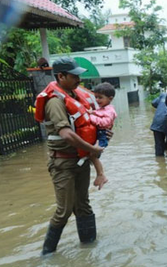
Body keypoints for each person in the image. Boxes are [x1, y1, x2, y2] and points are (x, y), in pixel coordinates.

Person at [34, 57, 104, 255]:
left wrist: (100, 136)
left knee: (83, 205)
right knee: (63, 211)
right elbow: (66, 134)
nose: (78, 80)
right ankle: (47, 255)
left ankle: (89, 249)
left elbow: (86, 125)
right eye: (74, 76)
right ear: (61, 76)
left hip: (80, 160)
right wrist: (92, 150)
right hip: (63, 162)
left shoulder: (74, 95)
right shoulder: (54, 101)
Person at [87, 82, 118, 190]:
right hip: (100, 134)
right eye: (96, 97)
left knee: (93, 155)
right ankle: (100, 175)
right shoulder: (103, 108)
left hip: (102, 135)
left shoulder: (110, 111)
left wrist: (91, 117)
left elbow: (104, 123)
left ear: (110, 98)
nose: (97, 100)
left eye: (100, 98)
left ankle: (101, 175)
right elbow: (98, 114)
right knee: (92, 155)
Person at [151, 90, 167, 158]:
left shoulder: (163, 95)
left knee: (158, 145)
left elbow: (153, 103)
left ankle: (160, 163)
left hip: (157, 122)